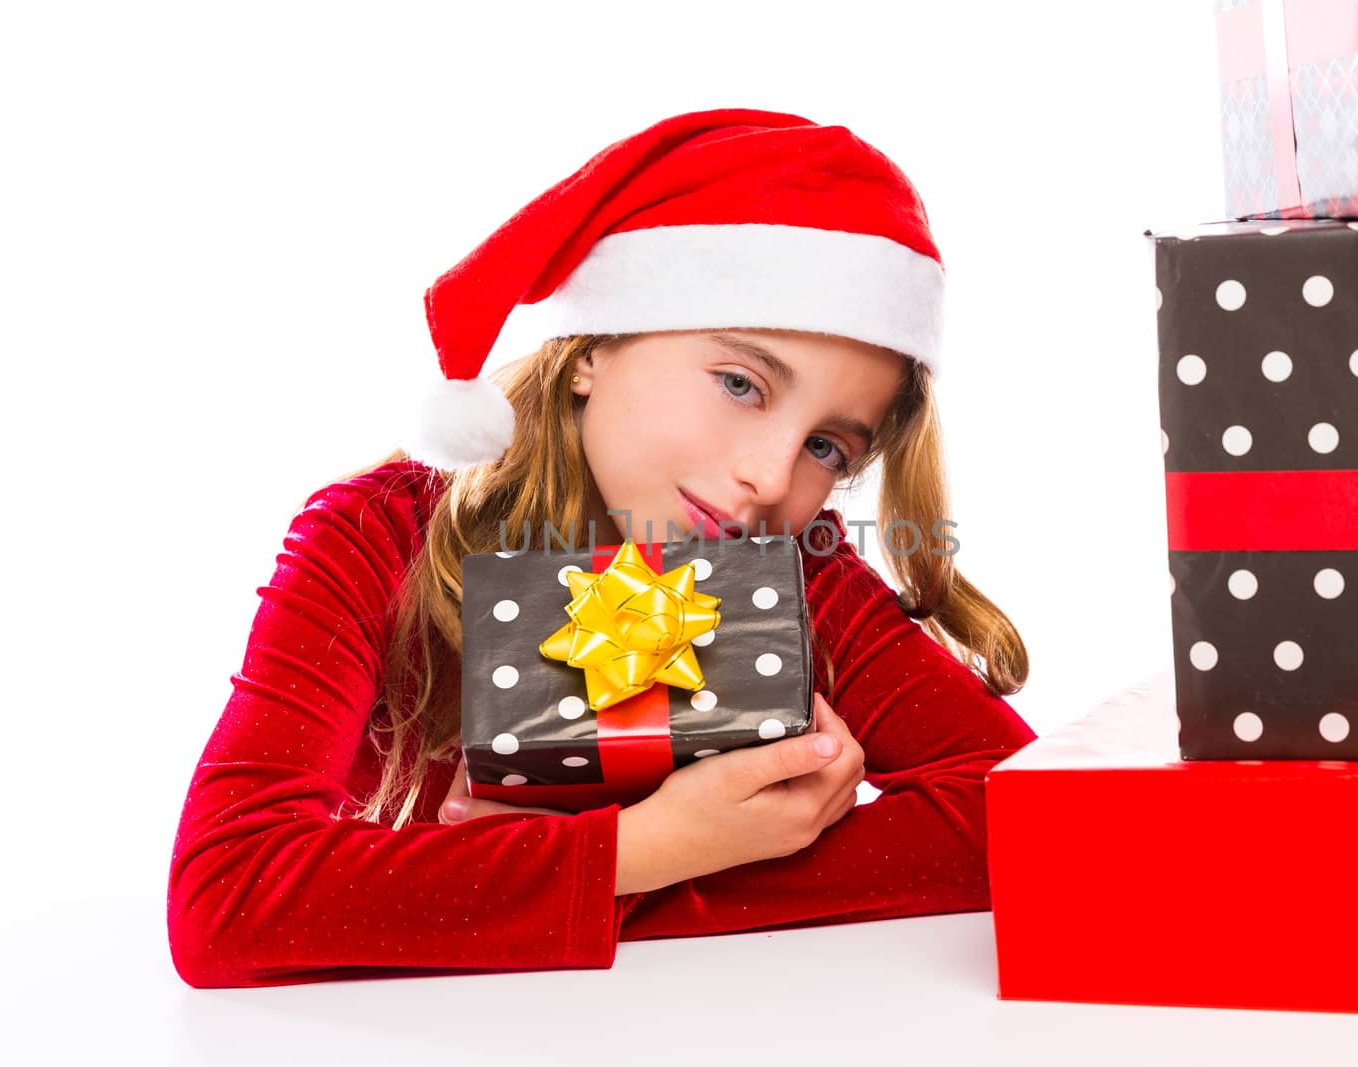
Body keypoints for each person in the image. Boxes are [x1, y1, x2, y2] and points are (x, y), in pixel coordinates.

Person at [166, 107, 1036, 988]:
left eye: (826, 447)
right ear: (595, 350)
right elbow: (228, 897)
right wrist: (641, 848)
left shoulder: (796, 564)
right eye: (741, 383)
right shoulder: (375, 538)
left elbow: (1021, 817)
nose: (773, 475)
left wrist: (633, 868)